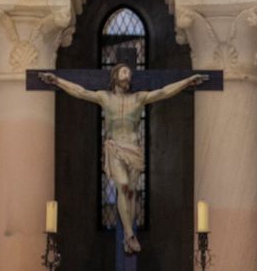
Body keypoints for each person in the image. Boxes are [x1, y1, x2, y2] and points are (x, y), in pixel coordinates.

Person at [39, 64, 208, 253]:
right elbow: (80, 91)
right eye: (124, 72)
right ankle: (129, 234)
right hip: (115, 148)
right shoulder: (105, 97)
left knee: (131, 193)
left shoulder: (138, 98)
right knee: (123, 184)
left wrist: (186, 82)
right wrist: (57, 81)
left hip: (134, 149)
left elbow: (163, 92)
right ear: (115, 76)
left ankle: (128, 238)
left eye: (129, 73)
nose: (128, 75)